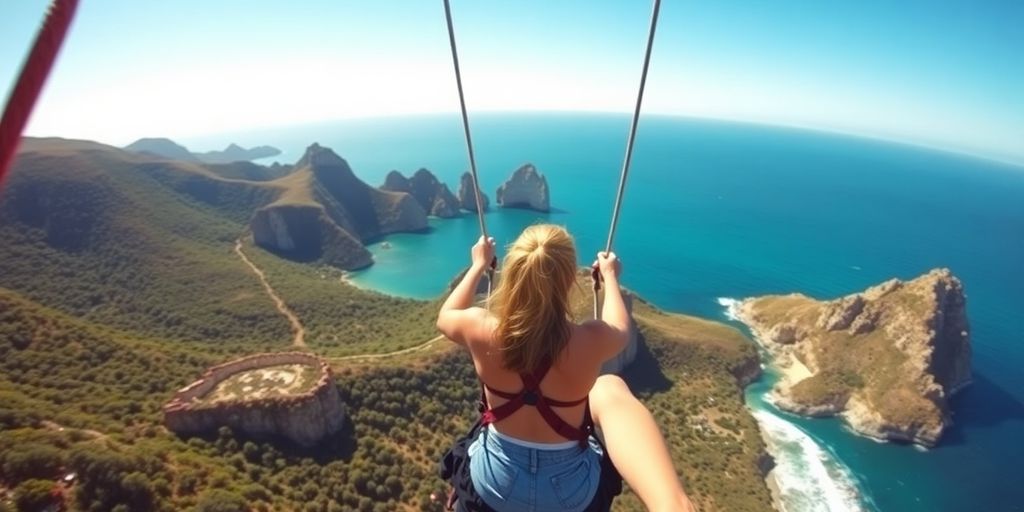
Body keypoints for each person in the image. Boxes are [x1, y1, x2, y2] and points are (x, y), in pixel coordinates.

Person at [437, 224, 696, 512]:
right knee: (609, 386)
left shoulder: (481, 328)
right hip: (569, 494)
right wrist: (609, 277)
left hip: (495, 484)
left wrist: (478, 265)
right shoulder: (589, 340)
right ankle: (671, 504)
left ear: (513, 274)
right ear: (570, 280)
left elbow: (446, 316)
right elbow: (621, 328)